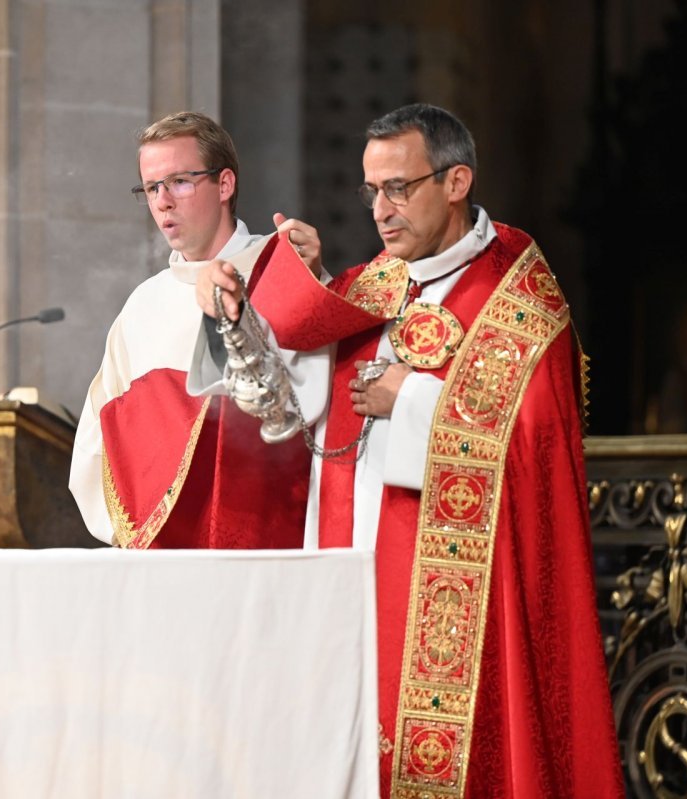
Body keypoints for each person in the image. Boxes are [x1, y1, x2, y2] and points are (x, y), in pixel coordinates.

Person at [199, 104, 624, 797]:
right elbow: (286, 412)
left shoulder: (519, 294)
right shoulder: (370, 285)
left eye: (399, 187)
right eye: (371, 191)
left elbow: (536, 450)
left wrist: (415, 400)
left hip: (461, 601)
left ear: (457, 182)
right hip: (352, 582)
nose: (381, 210)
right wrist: (251, 313)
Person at [68, 111, 316, 549]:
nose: (163, 201)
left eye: (180, 181)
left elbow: (317, 408)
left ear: (224, 185)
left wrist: (309, 287)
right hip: (164, 553)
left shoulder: (283, 272)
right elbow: (96, 440)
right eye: (150, 188)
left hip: (269, 541)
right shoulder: (143, 307)